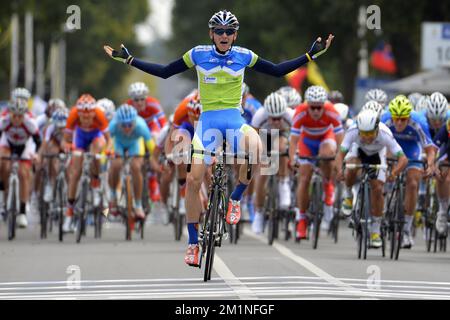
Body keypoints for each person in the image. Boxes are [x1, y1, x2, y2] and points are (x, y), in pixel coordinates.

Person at [104, 9, 334, 267]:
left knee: (258, 147)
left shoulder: (244, 55)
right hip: (208, 124)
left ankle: (235, 198)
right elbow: (166, 71)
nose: (224, 35)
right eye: (219, 31)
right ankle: (193, 242)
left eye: (229, 31)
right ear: (211, 34)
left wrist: (310, 55)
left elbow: (278, 71)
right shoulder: (198, 54)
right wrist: (130, 60)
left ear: (235, 35)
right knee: (193, 179)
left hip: (234, 122)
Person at [335, 109, 408, 248]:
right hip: (358, 151)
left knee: (378, 188)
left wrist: (394, 173)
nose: (367, 138)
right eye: (364, 133)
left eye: (370, 133)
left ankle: (375, 230)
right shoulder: (352, 131)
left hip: (377, 154)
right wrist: (339, 170)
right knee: (351, 166)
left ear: (376, 129)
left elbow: (403, 159)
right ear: (359, 130)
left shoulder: (385, 133)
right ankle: (349, 195)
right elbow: (340, 155)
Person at [380, 95, 437, 248]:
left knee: (412, 183)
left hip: (412, 151)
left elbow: (430, 150)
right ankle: (384, 205)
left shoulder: (419, 121)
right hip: (393, 149)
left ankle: (406, 229)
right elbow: (377, 145)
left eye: (403, 119)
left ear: (409, 117)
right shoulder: (384, 119)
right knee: (383, 176)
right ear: (391, 115)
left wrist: (431, 165)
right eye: (396, 118)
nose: (399, 122)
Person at [289, 85, 343, 238]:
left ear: (324, 105)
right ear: (307, 105)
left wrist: (339, 162)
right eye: (312, 108)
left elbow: (341, 142)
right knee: (304, 178)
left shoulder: (332, 111)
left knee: (327, 155)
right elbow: (293, 141)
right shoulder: (300, 112)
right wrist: (293, 160)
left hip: (326, 138)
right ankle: (301, 219)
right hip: (307, 142)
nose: (316, 112)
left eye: (319, 108)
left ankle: (328, 187)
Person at [62, 94, 112, 232]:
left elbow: (109, 140)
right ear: (78, 113)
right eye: (82, 117)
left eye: (88, 117)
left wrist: (106, 152)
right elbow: (66, 139)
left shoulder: (99, 114)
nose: (85, 120)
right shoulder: (73, 114)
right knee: (75, 173)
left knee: (95, 152)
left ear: (93, 113)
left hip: (96, 137)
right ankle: (69, 214)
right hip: (80, 138)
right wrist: (68, 147)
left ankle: (95, 185)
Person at [251, 92, 294, 234]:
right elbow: (253, 139)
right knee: (263, 173)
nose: (276, 122)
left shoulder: (290, 115)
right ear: (267, 114)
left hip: (283, 135)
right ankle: (259, 212)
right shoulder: (259, 116)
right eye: (273, 118)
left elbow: (297, 138)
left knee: (281, 148)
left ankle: (283, 182)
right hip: (264, 136)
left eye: (278, 118)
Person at [108, 104, 155, 219]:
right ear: (118, 123)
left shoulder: (141, 125)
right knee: (115, 165)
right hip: (118, 144)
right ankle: (113, 195)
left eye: (130, 125)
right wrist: (105, 160)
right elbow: (108, 144)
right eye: (123, 125)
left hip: (135, 144)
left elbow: (152, 147)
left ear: (134, 122)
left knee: (136, 167)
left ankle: (138, 205)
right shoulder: (113, 125)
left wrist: (153, 159)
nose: (127, 128)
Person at [0, 99, 41, 228]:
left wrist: (36, 155)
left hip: (25, 146)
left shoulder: (30, 123)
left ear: (24, 115)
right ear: (9, 113)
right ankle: (3, 196)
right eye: (14, 115)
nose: (17, 119)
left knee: (23, 173)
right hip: (8, 144)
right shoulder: (4, 121)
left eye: (20, 116)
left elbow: (38, 142)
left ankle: (22, 212)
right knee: (2, 161)